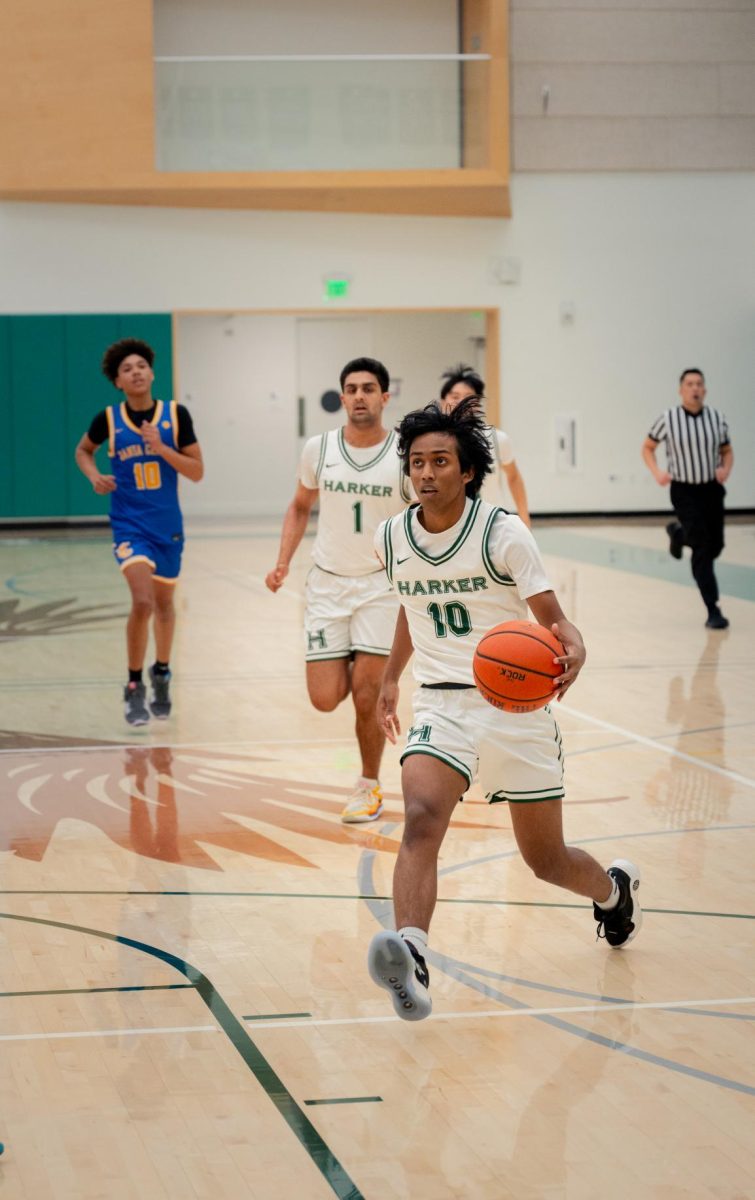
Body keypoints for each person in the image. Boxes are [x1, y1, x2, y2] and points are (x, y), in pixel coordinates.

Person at [367, 399, 641, 1022]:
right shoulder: (391, 536)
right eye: (417, 462)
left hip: (514, 707)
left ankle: (612, 892)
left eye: (441, 461)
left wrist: (574, 642)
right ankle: (412, 955)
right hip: (441, 702)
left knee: (547, 863)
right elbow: (412, 606)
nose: (427, 472)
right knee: (420, 817)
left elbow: (551, 617)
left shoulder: (502, 532)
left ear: (467, 470)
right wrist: (390, 677)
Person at [265, 357, 411, 824]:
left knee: (368, 693)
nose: (360, 396)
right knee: (325, 698)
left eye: (370, 388)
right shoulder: (319, 448)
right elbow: (299, 505)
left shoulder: (405, 453)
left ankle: (369, 785)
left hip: (381, 589)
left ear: (385, 397)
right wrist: (283, 560)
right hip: (327, 584)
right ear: (342, 397)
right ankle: (359, 668)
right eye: (352, 389)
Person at [74, 338, 203, 726]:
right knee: (143, 602)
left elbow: (196, 471)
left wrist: (162, 448)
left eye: (140, 365)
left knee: (164, 606)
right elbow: (83, 450)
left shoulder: (176, 416)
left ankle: (161, 672)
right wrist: (95, 475)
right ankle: (133, 686)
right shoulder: (108, 420)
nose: (135, 372)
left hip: (168, 527)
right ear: (118, 381)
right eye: (126, 368)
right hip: (129, 525)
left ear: (151, 372)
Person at [642, 369, 733, 630]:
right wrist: (657, 472)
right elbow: (647, 447)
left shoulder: (717, 418)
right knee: (703, 549)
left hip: (712, 490)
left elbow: (727, 451)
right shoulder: (668, 419)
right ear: (681, 390)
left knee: (716, 546)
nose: (695, 388)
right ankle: (713, 608)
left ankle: (680, 534)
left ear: (704, 389)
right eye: (689, 384)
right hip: (684, 491)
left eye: (699, 384)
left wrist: (725, 468)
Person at [440, 363, 530, 526]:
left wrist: (524, 518)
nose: (462, 402)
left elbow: (514, 477)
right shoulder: (433, 443)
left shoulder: (497, 439)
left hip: (493, 525)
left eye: (468, 397)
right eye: (455, 396)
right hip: (451, 527)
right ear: (443, 401)